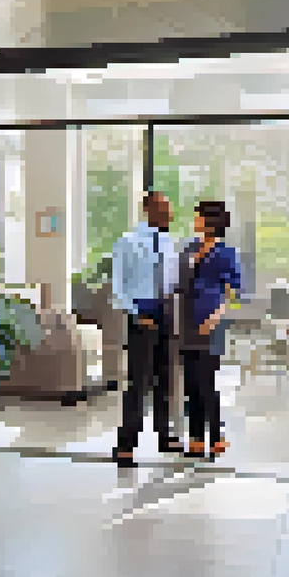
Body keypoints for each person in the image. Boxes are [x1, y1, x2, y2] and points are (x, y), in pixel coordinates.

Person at [111, 191, 180, 468]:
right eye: (165, 207)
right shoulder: (127, 242)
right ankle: (126, 444)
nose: (170, 213)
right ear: (149, 209)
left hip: (166, 312)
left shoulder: (169, 244)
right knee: (139, 382)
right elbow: (118, 288)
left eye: (170, 208)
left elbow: (173, 281)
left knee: (166, 378)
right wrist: (138, 314)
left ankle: (165, 435)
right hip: (142, 311)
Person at [179, 200, 242, 460]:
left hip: (211, 323)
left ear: (211, 221)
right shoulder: (190, 248)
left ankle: (216, 436)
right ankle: (195, 439)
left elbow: (233, 293)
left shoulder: (226, 253)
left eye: (199, 217)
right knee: (191, 383)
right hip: (186, 322)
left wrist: (215, 318)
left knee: (206, 382)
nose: (195, 221)